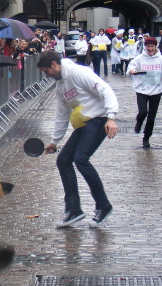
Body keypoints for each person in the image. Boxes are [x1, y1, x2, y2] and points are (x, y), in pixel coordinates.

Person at [36, 51, 118, 228]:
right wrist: (54, 141)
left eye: (46, 71)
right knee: (63, 160)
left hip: (99, 119)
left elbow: (105, 89)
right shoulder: (59, 86)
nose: (46, 75)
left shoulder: (78, 73)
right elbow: (61, 114)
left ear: (54, 65)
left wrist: (111, 117)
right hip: (83, 124)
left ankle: (103, 205)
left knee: (81, 159)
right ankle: (74, 210)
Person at [126, 37, 162, 148]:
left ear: (155, 47)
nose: (150, 48)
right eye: (148, 46)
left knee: (151, 117)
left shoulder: (161, 59)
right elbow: (131, 67)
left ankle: (146, 137)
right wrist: (132, 71)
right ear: (145, 47)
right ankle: (139, 122)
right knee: (143, 112)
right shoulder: (140, 58)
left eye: (152, 46)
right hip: (142, 89)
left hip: (156, 90)